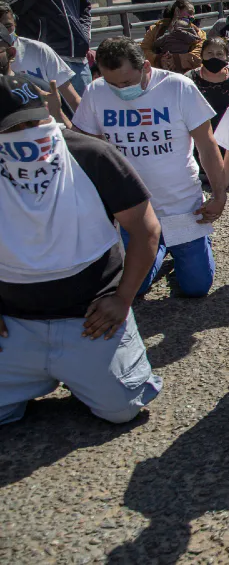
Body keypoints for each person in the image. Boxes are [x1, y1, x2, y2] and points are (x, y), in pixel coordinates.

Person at [0, 73, 164, 425]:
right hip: (13, 322)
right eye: (14, 128)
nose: (28, 134)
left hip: (88, 318)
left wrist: (122, 299)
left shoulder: (91, 154)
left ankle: (81, 370)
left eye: (34, 122)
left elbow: (147, 229)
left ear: (47, 114)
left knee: (122, 408)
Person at [72, 37, 226, 298]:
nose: (119, 90)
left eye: (126, 83)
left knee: (196, 287)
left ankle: (185, 242)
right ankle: (160, 245)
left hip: (181, 206)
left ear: (145, 66)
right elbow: (86, 147)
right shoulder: (96, 91)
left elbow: (207, 145)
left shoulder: (178, 87)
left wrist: (219, 196)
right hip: (132, 210)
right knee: (135, 287)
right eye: (112, 84)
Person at [0, 2, 81, 110]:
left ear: (15, 22)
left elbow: (72, 99)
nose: (3, 33)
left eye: (7, 26)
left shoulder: (39, 51)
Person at [186, 37, 229, 132]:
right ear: (202, 55)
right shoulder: (190, 78)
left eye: (219, 54)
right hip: (201, 134)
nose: (214, 57)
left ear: (227, 56)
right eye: (210, 53)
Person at [142, 0, 206, 73]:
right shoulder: (155, 29)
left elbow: (201, 52)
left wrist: (177, 59)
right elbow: (143, 49)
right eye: (190, 12)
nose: (192, 17)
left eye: (193, 14)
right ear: (177, 11)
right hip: (160, 72)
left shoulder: (198, 33)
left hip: (186, 74)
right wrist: (159, 59)